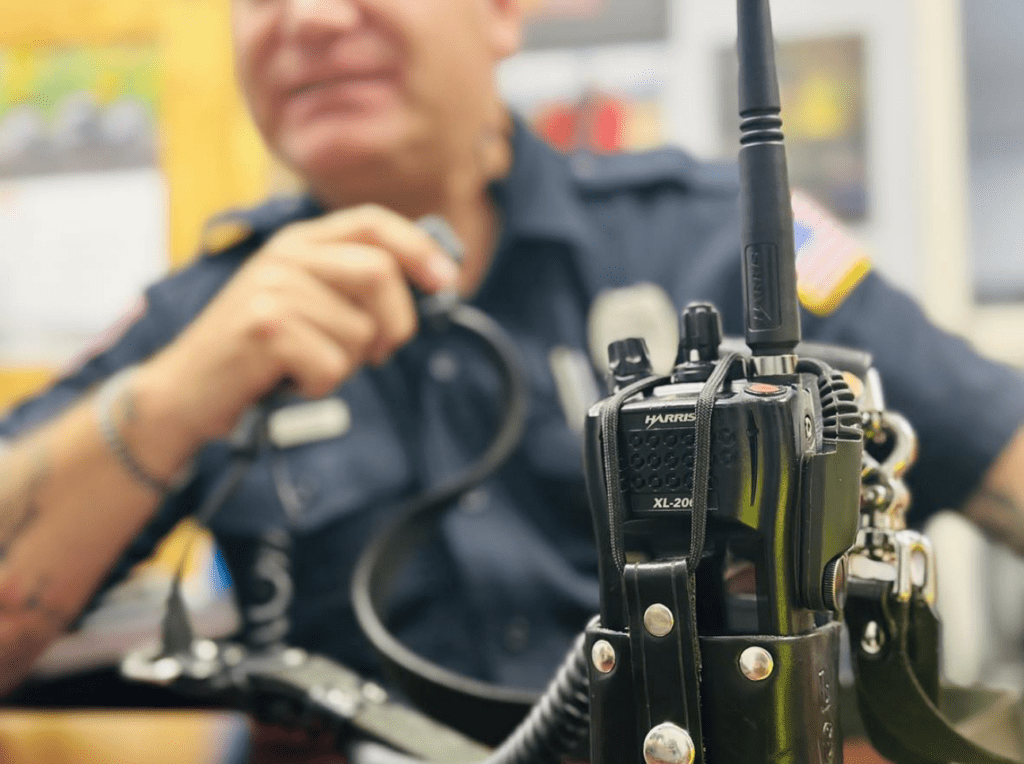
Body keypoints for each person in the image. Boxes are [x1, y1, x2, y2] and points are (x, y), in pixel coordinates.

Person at [1, 0, 1023, 756]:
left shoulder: (720, 242)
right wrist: (175, 397)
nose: (309, 17)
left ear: (499, 11)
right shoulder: (197, 321)